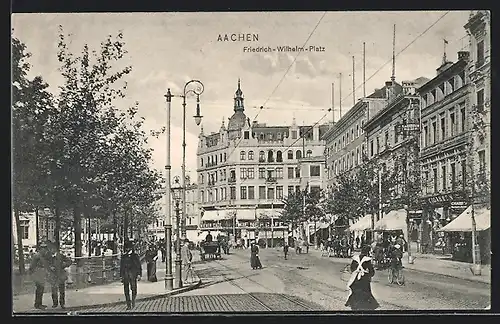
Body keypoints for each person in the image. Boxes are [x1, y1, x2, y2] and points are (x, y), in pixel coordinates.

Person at [345, 245, 379, 311]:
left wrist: (356, 271)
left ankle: (355, 304)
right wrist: (369, 274)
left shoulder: (355, 258)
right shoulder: (367, 260)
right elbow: (371, 271)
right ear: (368, 252)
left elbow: (352, 268)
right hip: (364, 278)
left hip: (356, 277)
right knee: (365, 291)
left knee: (355, 291)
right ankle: (364, 305)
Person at [46, 241, 72, 309]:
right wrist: (49, 267)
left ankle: (62, 303)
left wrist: (64, 265)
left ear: (55, 249)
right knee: (54, 290)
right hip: (53, 276)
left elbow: (69, 261)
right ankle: (55, 303)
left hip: (60, 276)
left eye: (52, 248)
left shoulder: (60, 256)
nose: (51, 250)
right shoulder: (48, 256)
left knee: (62, 291)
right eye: (50, 249)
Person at [120, 240, 142, 310]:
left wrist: (139, 274)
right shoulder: (123, 256)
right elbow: (121, 267)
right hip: (125, 275)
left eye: (128, 248)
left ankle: (133, 301)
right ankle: (128, 304)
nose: (127, 250)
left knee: (134, 289)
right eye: (126, 248)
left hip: (133, 274)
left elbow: (138, 265)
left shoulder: (135, 256)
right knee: (126, 290)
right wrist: (121, 276)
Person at [29, 242, 51, 310]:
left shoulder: (44, 256)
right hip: (37, 274)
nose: (44, 250)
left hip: (42, 274)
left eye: (45, 248)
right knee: (39, 289)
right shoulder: (37, 256)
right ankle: (37, 304)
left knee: (41, 289)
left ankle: (39, 303)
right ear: (40, 249)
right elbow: (32, 266)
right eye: (43, 248)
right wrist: (32, 275)